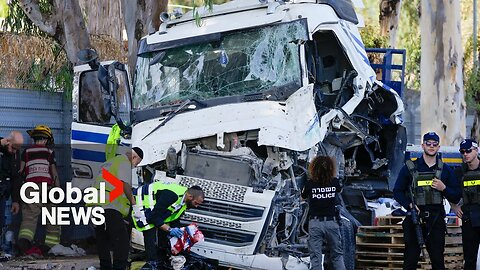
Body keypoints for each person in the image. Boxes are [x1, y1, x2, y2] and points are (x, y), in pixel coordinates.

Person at [393, 131, 461, 270]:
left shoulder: (445, 170)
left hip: (436, 220)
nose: (431, 146)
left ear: (438, 147)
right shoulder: (410, 168)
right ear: (422, 145)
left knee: (437, 261)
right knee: (410, 261)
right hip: (415, 219)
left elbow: (455, 196)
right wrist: (409, 204)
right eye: (428, 144)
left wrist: (443, 188)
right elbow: (397, 191)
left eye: (434, 144)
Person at [91, 146, 143, 270]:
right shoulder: (124, 163)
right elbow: (125, 185)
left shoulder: (108, 163)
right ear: (134, 157)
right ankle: (119, 268)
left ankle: (106, 267)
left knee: (102, 239)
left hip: (96, 205)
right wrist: (135, 205)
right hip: (110, 206)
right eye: (137, 163)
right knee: (122, 241)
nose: (135, 167)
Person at [132, 183, 205, 269]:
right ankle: (151, 264)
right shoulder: (171, 195)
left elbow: (173, 218)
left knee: (163, 240)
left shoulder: (184, 200)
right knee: (150, 234)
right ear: (190, 196)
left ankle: (159, 262)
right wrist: (169, 229)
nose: (196, 206)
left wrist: (180, 233)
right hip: (140, 203)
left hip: (153, 211)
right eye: (196, 203)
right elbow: (153, 217)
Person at [17, 125, 61, 255]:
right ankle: (50, 247)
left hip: (29, 187)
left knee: (29, 218)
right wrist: (58, 189)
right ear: (46, 140)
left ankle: (24, 244)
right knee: (53, 217)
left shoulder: (26, 152)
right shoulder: (49, 152)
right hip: (47, 188)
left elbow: (20, 171)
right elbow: (54, 173)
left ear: (34, 139)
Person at [301, 155, 345, 270]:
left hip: (315, 223)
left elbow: (303, 197)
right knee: (337, 255)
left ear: (313, 168)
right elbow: (340, 190)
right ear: (331, 168)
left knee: (316, 257)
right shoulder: (334, 182)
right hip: (331, 222)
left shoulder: (310, 184)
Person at [451, 139, 480, 270]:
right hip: (469, 219)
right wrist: (454, 206)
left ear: (476, 150)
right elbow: (449, 190)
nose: (465, 154)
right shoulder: (459, 172)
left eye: (468, 150)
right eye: (462, 151)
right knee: (469, 259)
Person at [0, 131, 23, 239]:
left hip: (2, 193)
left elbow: (16, 177)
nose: (14, 151)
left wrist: (15, 201)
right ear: (7, 141)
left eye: (17, 149)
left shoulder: (15, 154)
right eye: (13, 148)